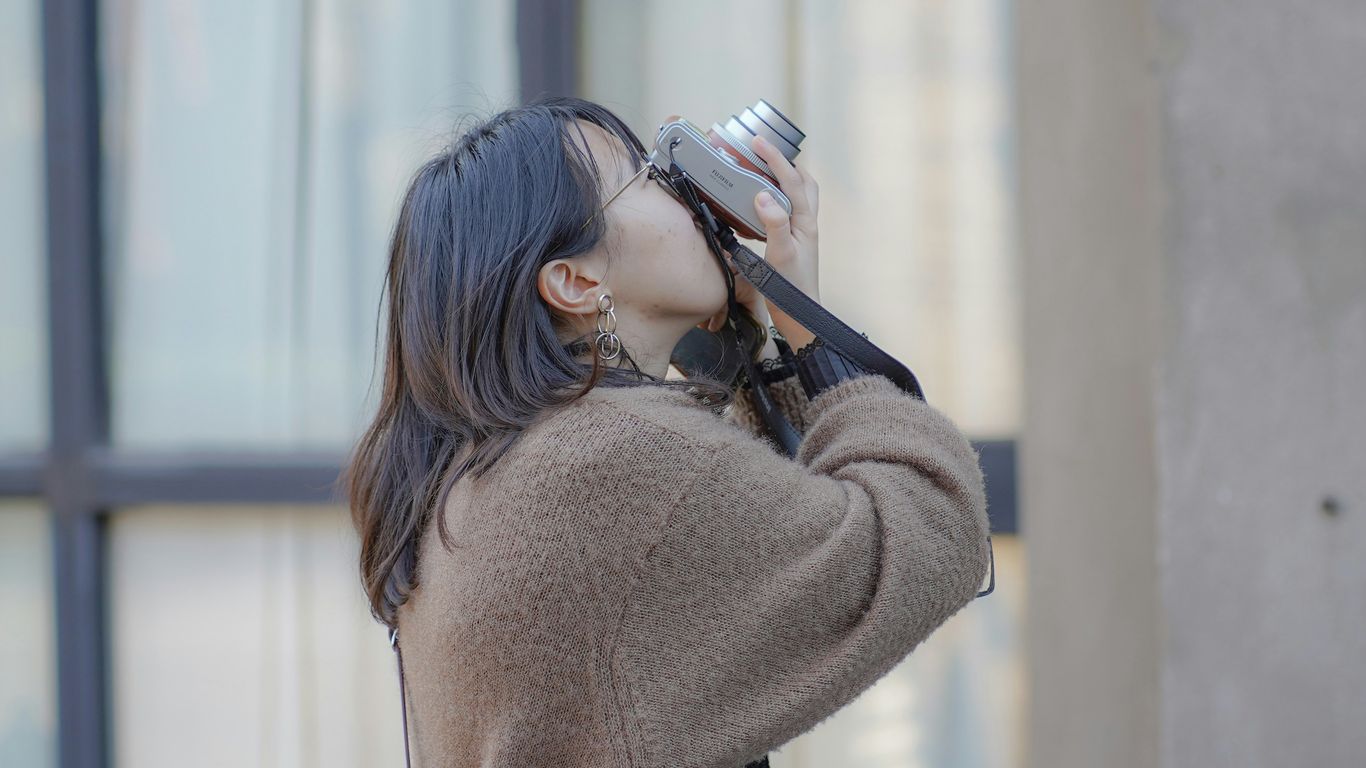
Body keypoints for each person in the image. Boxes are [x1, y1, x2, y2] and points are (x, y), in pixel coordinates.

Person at [344, 95, 991, 768]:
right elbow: (927, 529)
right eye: (648, 174)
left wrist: (759, 347)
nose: (691, 192)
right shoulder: (607, 459)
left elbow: (775, 538)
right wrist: (807, 327)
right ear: (573, 279)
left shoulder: (490, 469)